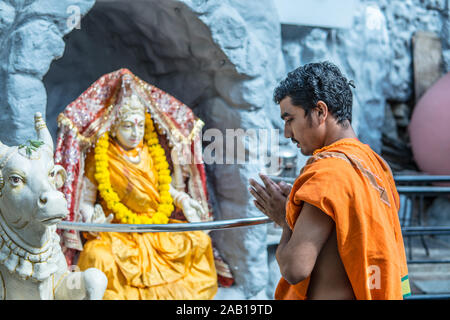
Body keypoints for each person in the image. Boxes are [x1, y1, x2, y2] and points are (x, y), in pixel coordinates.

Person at [54, 69, 233, 299]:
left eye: (139, 126)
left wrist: (185, 201)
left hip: (156, 228)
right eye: (127, 126)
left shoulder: (151, 152)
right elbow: (86, 201)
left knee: (199, 241)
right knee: (98, 257)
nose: (135, 133)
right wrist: (91, 219)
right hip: (116, 231)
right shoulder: (99, 157)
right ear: (113, 126)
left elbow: (165, 189)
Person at [249, 61, 411, 300]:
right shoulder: (375, 164)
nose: (286, 132)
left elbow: (295, 268)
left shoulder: (329, 173)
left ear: (320, 112)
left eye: (289, 118)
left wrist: (285, 219)